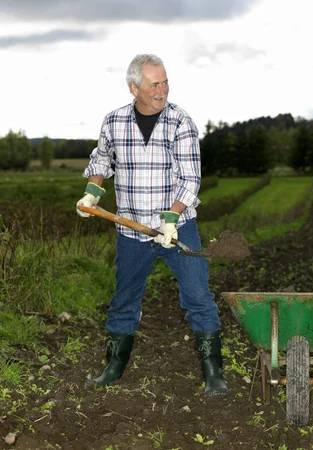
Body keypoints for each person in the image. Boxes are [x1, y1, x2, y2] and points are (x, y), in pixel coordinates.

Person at [76, 54, 227, 397]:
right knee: (124, 299)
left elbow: (190, 178)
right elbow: (101, 158)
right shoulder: (114, 121)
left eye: (165, 82)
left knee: (198, 296)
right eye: (154, 84)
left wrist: (171, 220)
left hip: (178, 230)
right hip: (131, 230)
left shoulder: (180, 122)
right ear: (134, 87)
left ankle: (213, 371)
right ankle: (113, 368)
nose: (162, 90)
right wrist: (92, 192)